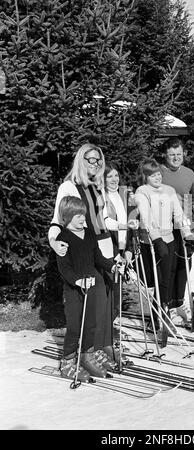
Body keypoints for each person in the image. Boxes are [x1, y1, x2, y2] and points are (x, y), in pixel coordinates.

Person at [48, 142, 125, 365]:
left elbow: (103, 220)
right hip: (85, 250)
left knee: (109, 301)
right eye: (89, 159)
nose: (94, 163)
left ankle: (103, 347)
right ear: (80, 160)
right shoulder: (68, 187)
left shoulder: (96, 186)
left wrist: (125, 226)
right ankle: (88, 350)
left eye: (98, 160)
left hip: (104, 247)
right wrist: (53, 241)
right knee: (95, 300)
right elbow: (58, 219)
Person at [56, 196, 125, 380]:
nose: (82, 219)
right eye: (77, 215)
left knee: (91, 323)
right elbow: (64, 268)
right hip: (74, 290)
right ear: (66, 216)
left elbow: (98, 257)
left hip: (91, 286)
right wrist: (77, 281)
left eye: (83, 215)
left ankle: (87, 355)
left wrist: (111, 266)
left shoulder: (88, 234)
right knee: (75, 326)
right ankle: (68, 362)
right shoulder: (63, 238)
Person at [134, 158, 194, 326]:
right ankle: (157, 314)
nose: (157, 178)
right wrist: (156, 239)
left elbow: (179, 215)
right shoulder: (142, 192)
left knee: (168, 278)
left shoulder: (169, 190)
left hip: (169, 239)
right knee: (158, 279)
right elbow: (146, 218)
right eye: (152, 175)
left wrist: (188, 235)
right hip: (152, 242)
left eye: (158, 174)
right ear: (145, 176)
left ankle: (165, 309)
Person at [160, 137, 194, 324]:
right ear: (165, 155)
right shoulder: (158, 172)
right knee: (168, 267)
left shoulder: (189, 173)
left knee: (185, 266)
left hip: (185, 226)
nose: (175, 158)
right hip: (165, 226)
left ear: (183, 154)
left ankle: (179, 303)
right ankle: (167, 305)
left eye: (178, 154)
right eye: (172, 155)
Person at [103, 164, 133, 319]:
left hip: (122, 249)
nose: (114, 179)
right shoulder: (102, 196)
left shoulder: (123, 194)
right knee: (110, 293)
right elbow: (104, 224)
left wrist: (129, 249)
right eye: (109, 176)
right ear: (103, 179)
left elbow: (131, 224)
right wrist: (117, 253)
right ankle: (103, 331)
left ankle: (108, 328)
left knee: (116, 295)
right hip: (109, 250)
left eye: (116, 175)